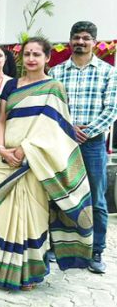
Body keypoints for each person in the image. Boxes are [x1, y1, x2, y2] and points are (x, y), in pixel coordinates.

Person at [0, 37, 93, 290]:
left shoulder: (53, 87)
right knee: (2, 216)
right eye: (27, 54)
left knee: (31, 217)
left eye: (37, 54)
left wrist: (24, 150)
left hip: (34, 163)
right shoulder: (11, 85)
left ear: (47, 58)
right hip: (5, 161)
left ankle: (27, 273)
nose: (31, 59)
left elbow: (53, 129)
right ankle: (1, 269)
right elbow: (1, 120)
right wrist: (2, 149)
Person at [49, 21, 117, 274]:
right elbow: (52, 106)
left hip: (93, 144)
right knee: (60, 194)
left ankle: (96, 250)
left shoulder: (108, 72)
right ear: (69, 40)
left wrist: (86, 131)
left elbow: (112, 109)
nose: (80, 42)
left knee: (97, 199)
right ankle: (58, 247)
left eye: (86, 38)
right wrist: (69, 129)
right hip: (62, 142)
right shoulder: (56, 72)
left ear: (94, 42)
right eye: (76, 37)